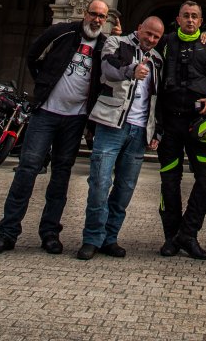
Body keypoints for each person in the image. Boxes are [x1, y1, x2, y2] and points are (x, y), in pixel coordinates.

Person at [0, 0, 113, 255]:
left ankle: (50, 233)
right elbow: (33, 55)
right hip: (45, 114)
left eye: (102, 17)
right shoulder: (62, 31)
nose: (97, 20)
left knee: (61, 176)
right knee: (27, 170)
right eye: (94, 14)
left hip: (75, 119)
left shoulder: (104, 45)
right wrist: (44, 83)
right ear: (85, 13)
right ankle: (7, 233)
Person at [77, 16, 164, 260]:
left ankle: (110, 238)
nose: (151, 39)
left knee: (125, 188)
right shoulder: (117, 43)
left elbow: (157, 99)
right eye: (148, 33)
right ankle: (92, 237)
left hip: (139, 131)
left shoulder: (158, 59)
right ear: (139, 28)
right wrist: (131, 71)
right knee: (100, 183)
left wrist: (156, 131)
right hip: (111, 124)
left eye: (156, 37)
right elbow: (107, 69)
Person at [156, 1, 206, 259]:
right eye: (186, 16)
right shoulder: (165, 42)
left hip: (198, 126)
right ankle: (171, 237)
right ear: (178, 18)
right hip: (170, 125)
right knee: (169, 183)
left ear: (201, 20)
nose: (190, 20)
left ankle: (188, 233)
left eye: (195, 16)